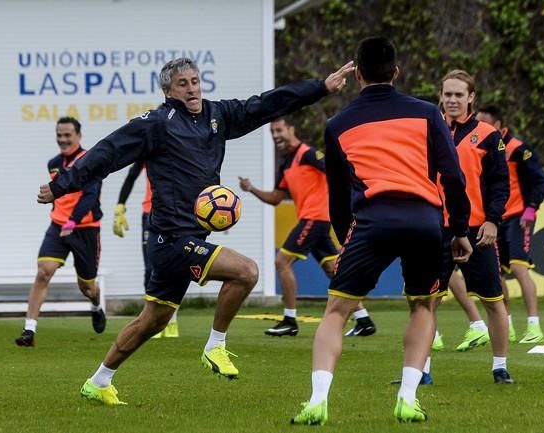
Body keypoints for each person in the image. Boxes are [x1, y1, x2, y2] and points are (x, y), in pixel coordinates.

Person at [37, 57, 354, 406]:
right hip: (170, 239)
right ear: (168, 90)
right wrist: (64, 184)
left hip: (189, 237)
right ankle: (215, 346)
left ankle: (98, 381)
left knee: (153, 320)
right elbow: (107, 153)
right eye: (183, 83)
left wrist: (320, 88)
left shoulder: (217, 116)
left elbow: (265, 104)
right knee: (247, 272)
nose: (192, 88)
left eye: (195, 80)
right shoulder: (156, 123)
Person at [290, 37, 471, 425]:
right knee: (423, 305)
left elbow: (339, 198)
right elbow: (453, 177)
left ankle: (317, 400)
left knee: (336, 311)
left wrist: (344, 240)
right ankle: (408, 397)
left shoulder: (337, 124)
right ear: (396, 72)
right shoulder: (427, 113)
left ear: (357, 74)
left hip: (372, 222)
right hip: (425, 221)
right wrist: (458, 229)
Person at [238, 116, 375, 337]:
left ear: (291, 128)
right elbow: (275, 198)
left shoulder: (308, 153)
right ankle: (364, 320)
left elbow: (336, 170)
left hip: (315, 218)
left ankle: (290, 320)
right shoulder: (286, 163)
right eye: (272, 132)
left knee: (281, 261)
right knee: (334, 271)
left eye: (279, 130)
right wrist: (251, 188)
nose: (276, 135)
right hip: (315, 220)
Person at [429, 70, 513, 386]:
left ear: (471, 97)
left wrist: (493, 220)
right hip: (437, 229)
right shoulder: (428, 130)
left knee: (493, 300)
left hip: (478, 230)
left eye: (458, 95)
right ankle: (420, 369)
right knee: (427, 301)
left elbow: (500, 184)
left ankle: (500, 367)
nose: (452, 100)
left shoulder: (488, 134)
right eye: (447, 94)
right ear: (441, 95)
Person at [15, 116, 106, 347]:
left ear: (78, 136)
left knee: (87, 286)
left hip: (85, 229)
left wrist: (72, 222)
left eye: (67, 135)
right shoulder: (53, 163)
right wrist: (61, 220)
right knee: (43, 272)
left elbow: (90, 196)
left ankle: (96, 304)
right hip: (58, 226)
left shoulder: (90, 161)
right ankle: (29, 331)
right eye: (59, 135)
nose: (63, 139)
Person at [476, 105, 544, 344]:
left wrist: (531, 207)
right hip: (494, 219)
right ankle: (507, 325)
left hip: (518, 217)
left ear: (499, 126)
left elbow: (538, 180)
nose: (480, 127)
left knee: (519, 268)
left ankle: (534, 326)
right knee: (497, 275)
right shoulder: (480, 147)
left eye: (484, 123)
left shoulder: (518, 149)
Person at [113, 162, 179, 338]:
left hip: (174, 214)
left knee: (173, 266)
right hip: (149, 215)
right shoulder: (148, 148)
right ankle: (151, 320)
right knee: (150, 268)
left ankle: (171, 320)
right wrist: (120, 206)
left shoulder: (179, 147)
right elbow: (132, 174)